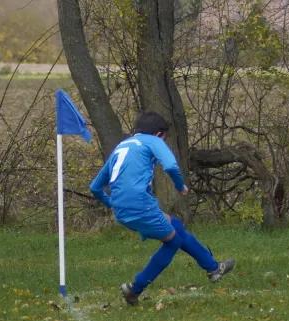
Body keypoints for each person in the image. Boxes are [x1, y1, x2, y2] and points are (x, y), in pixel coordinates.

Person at [89, 111, 235, 306]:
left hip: (124, 210)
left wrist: (113, 206)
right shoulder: (153, 141)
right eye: (164, 139)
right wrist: (180, 186)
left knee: (176, 226)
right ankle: (135, 288)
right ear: (159, 135)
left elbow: (95, 187)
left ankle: (214, 268)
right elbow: (171, 166)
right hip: (141, 205)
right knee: (173, 241)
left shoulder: (122, 146)